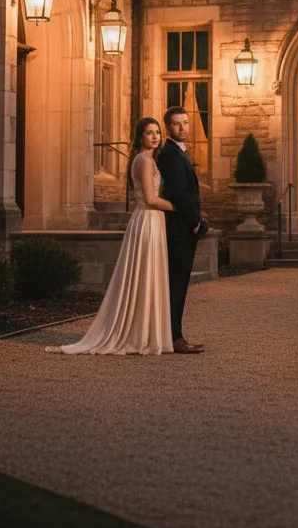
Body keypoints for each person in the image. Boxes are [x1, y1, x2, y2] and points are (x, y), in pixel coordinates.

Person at [46, 117, 174, 355]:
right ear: (140, 137)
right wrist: (177, 207)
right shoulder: (144, 161)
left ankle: (146, 332)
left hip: (153, 221)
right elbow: (150, 199)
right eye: (149, 132)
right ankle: (139, 335)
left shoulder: (148, 159)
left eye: (157, 132)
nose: (155, 136)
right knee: (143, 274)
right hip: (147, 220)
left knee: (149, 275)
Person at [156, 106, 209, 354]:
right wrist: (195, 222)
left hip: (183, 227)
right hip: (178, 230)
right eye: (177, 124)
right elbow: (178, 194)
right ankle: (174, 338)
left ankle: (172, 335)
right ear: (168, 127)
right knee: (176, 286)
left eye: (186, 123)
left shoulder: (179, 152)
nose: (183, 128)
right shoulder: (169, 154)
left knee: (179, 285)